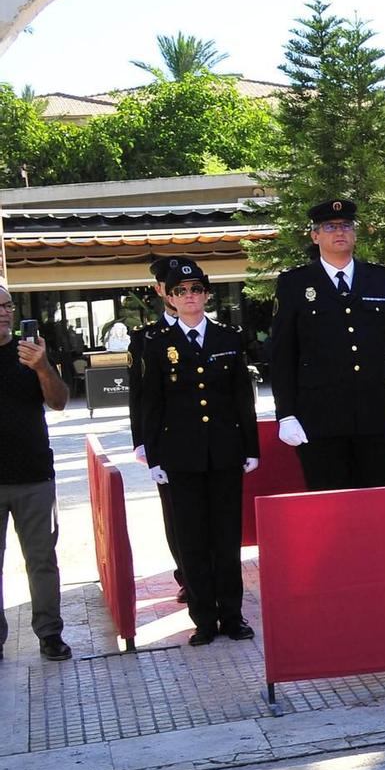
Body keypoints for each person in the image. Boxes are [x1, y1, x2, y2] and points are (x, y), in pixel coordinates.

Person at [138, 259, 259, 646]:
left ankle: (233, 615)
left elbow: (243, 398)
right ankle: (204, 619)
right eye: (180, 292)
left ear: (207, 294)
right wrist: (152, 454)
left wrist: (251, 447)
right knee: (191, 539)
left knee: (226, 536)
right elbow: (148, 401)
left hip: (224, 450)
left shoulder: (228, 337)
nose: (189, 297)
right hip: (181, 454)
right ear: (170, 298)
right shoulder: (155, 342)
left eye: (196, 290)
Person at [267, 198, 385, 491]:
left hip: (375, 414)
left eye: (346, 226)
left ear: (355, 232)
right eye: (330, 226)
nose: (340, 232)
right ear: (315, 235)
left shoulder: (380, 279)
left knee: (378, 501)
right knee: (330, 505)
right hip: (319, 417)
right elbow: (283, 355)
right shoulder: (295, 284)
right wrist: (286, 413)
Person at [0, 282, 71, 660]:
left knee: (42, 561)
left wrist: (42, 366)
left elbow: (59, 402)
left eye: (9, 306)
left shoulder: (32, 353)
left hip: (34, 477)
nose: (5, 312)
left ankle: (49, 634)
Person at [129, 256, 188, 602]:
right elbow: (138, 396)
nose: (182, 293)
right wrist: (142, 442)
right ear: (160, 291)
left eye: (190, 286)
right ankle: (186, 575)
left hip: (208, 438)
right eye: (174, 287)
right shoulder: (147, 338)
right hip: (167, 440)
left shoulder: (213, 331)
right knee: (175, 512)